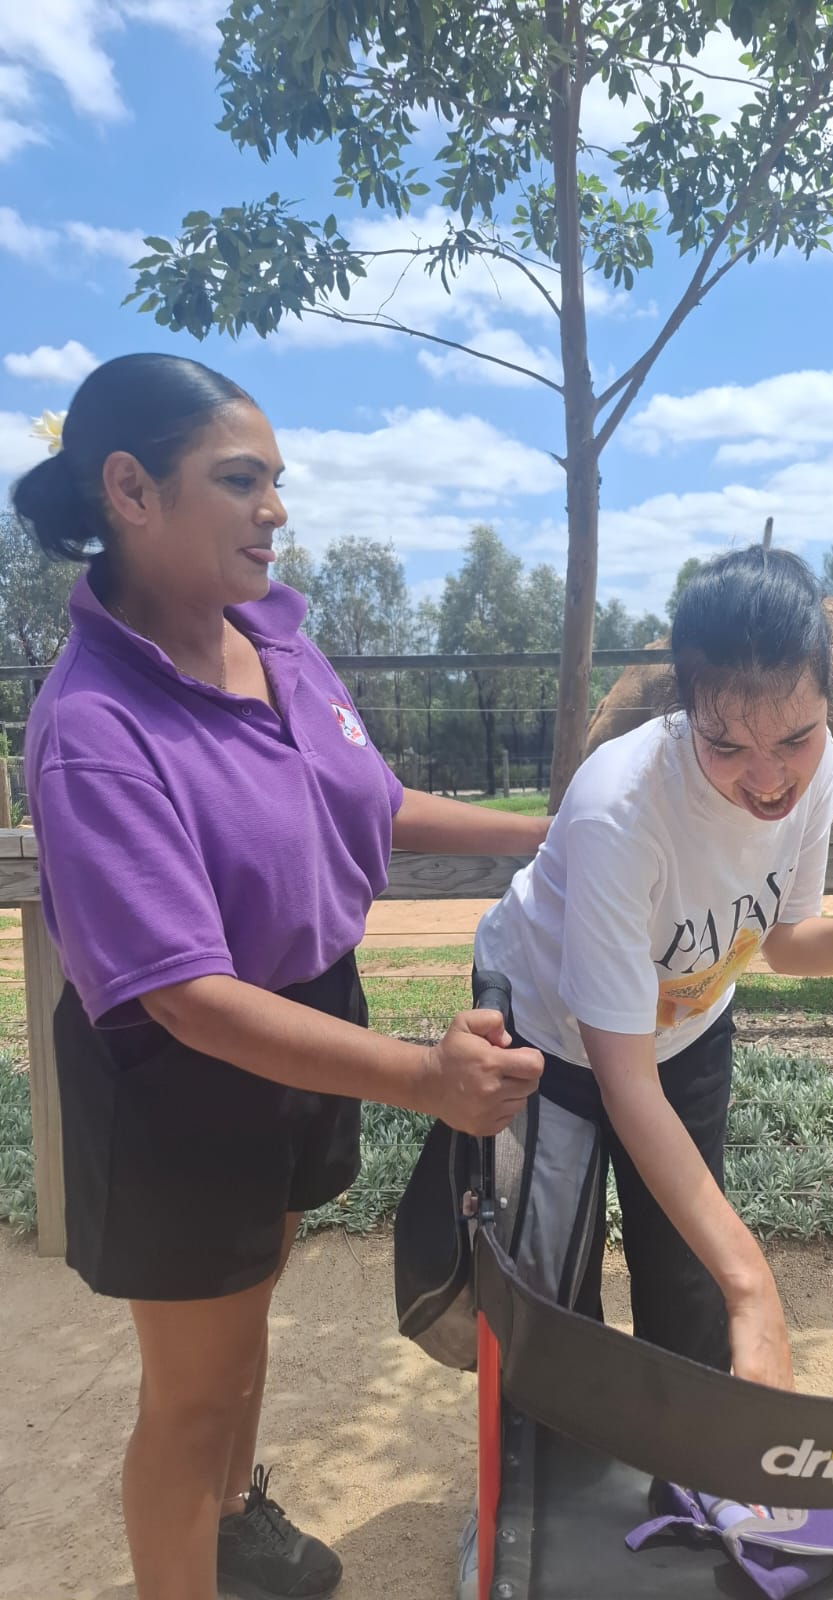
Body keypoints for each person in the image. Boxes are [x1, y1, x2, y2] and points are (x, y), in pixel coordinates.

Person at [12, 353, 545, 1600]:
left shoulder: (274, 639)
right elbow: (184, 994)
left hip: (311, 1020)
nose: (276, 510)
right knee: (190, 1396)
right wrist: (425, 1077)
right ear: (130, 490)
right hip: (181, 1079)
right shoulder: (94, 727)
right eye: (240, 480)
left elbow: (373, 801)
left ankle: (237, 1524)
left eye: (276, 481)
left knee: (251, 1306)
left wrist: (552, 828)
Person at [475, 545, 833, 1391]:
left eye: (795, 736)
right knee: (550, 1295)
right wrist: (757, 1286)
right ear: (684, 709)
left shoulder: (815, 767)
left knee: (690, 1279)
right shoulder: (620, 810)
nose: (769, 778)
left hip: (687, 1028)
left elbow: (784, 938)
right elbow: (622, 1079)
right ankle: (540, 1490)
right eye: (725, 744)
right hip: (549, 1038)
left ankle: (699, 1481)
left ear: (829, 697)